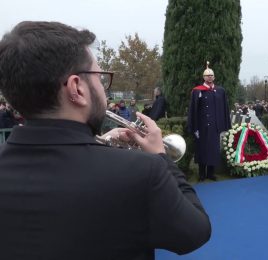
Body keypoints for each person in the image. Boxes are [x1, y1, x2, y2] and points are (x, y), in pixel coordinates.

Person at [0, 21, 211, 259]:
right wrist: (161, 157)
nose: (104, 90)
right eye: (100, 78)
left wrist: (95, 143)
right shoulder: (143, 171)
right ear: (76, 88)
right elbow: (195, 232)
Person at [187, 62, 231, 181]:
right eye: (207, 75)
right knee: (202, 150)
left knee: (213, 150)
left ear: (214, 77)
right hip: (202, 126)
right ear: (203, 77)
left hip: (215, 127)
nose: (209, 77)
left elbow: (224, 109)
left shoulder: (220, 91)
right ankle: (202, 173)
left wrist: (224, 125)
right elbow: (193, 110)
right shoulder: (197, 91)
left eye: (211, 75)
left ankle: (210, 173)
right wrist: (194, 127)